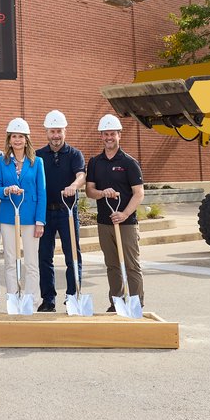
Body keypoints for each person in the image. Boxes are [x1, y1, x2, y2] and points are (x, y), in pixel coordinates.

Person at [85, 113, 145, 310]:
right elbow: (90, 191)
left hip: (126, 223)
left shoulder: (129, 162)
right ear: (101, 136)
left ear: (119, 134)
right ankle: (117, 303)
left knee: (131, 265)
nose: (109, 137)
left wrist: (124, 214)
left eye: (112, 133)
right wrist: (102, 193)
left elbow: (138, 194)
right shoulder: (95, 162)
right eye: (105, 134)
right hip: (104, 222)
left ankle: (136, 303)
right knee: (112, 265)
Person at [35, 109, 87, 312]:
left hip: (68, 211)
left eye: (59, 131)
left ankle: (73, 297)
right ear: (46, 132)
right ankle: (48, 299)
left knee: (72, 255)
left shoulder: (74, 154)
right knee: (45, 257)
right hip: (45, 212)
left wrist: (74, 185)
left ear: (65, 131)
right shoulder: (38, 155)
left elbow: (81, 175)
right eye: (52, 131)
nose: (55, 135)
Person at [0, 117, 46, 306]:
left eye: (20, 137)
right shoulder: (1, 161)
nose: (17, 140)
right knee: (10, 259)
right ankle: (13, 298)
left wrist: (40, 221)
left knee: (31, 261)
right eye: (13, 136)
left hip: (31, 217)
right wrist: (6, 190)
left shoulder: (37, 162)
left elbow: (42, 193)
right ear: (9, 140)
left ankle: (31, 299)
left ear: (26, 139)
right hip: (8, 216)